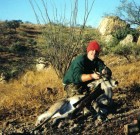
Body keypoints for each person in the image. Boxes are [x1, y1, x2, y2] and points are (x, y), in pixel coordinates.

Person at [63, 40, 112, 122]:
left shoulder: (97, 60)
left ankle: (99, 102)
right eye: (92, 50)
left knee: (101, 86)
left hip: (86, 82)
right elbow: (77, 77)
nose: (94, 52)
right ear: (88, 50)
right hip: (72, 83)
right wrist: (92, 76)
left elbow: (108, 71)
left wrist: (104, 71)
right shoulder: (80, 60)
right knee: (80, 101)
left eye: (96, 51)